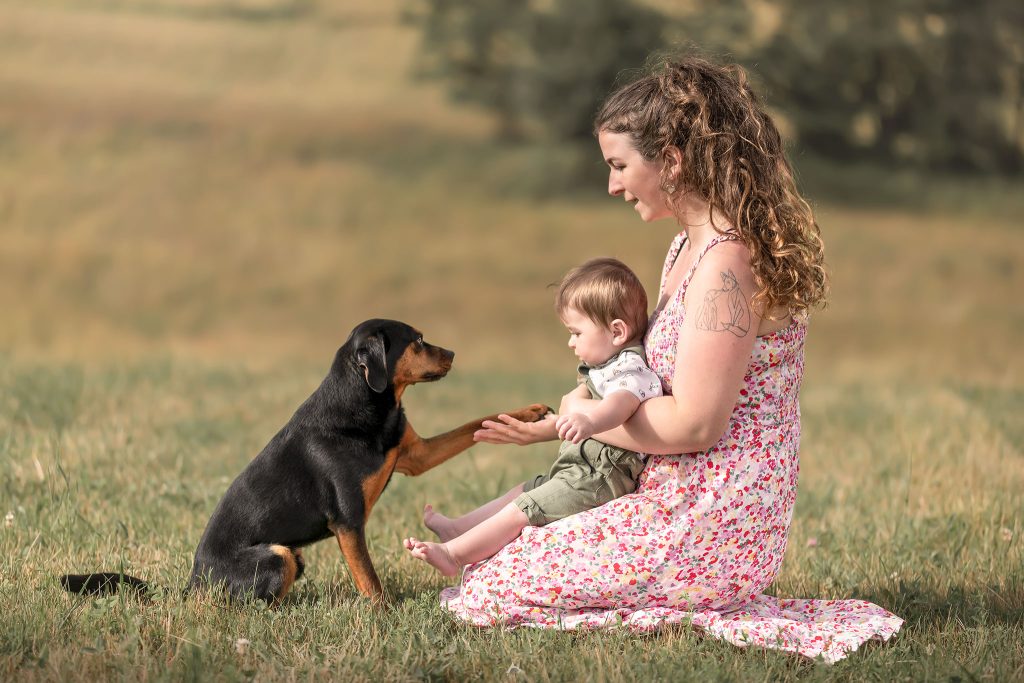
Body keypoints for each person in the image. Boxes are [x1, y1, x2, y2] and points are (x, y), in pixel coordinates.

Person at [436, 55, 902, 663]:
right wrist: (566, 422)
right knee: (494, 563)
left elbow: (695, 425)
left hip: (714, 509)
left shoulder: (726, 267)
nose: (612, 185)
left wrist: (583, 412)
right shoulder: (688, 245)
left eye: (620, 165)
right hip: (669, 486)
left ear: (673, 162)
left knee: (496, 587)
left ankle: (700, 591)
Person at [404, 257, 662, 577]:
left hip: (600, 478)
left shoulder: (630, 368)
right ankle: (459, 528)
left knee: (524, 509)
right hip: (580, 471)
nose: (570, 342)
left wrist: (591, 421)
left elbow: (622, 404)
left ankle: (454, 556)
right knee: (524, 490)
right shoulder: (606, 366)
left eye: (576, 332)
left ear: (617, 331)